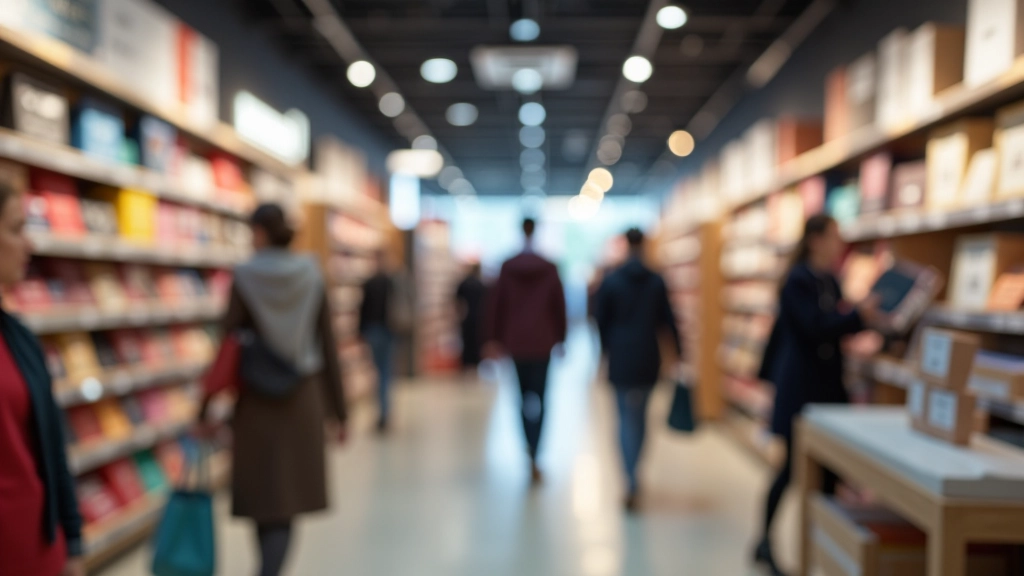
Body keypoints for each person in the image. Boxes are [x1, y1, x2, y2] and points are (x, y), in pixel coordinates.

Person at [200, 204, 347, 576]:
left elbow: (226, 345)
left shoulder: (245, 275)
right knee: (287, 500)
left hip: (256, 402)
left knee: (261, 497)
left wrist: (204, 406)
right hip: (303, 399)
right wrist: (340, 412)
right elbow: (327, 345)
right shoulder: (312, 273)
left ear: (260, 232)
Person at [753, 214, 879, 576]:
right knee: (792, 468)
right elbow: (815, 327)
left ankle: (823, 550)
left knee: (826, 475)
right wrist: (858, 317)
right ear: (815, 240)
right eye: (834, 236)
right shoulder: (797, 281)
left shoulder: (829, 279)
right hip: (801, 390)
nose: (840, 243)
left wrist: (864, 320)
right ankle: (766, 541)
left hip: (827, 388)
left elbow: (833, 325)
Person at [0, 180, 85, 576]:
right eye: (16, 229)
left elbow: (52, 448)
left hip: (38, 552)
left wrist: (74, 543)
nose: (28, 245)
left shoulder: (19, 338)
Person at [593, 228, 681, 511]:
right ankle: (635, 472)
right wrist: (678, 353)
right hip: (647, 355)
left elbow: (600, 321)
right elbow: (668, 320)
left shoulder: (612, 280)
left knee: (623, 417)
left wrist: (603, 352)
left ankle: (629, 478)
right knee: (641, 417)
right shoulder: (655, 280)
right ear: (643, 245)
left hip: (620, 356)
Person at [485, 218, 567, 484]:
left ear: (521, 231)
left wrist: (495, 338)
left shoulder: (508, 267)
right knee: (541, 398)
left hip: (516, 342)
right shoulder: (549, 267)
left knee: (521, 398)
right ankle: (536, 450)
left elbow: (498, 304)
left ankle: (528, 450)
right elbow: (559, 304)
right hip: (543, 342)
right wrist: (561, 338)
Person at [360, 251, 395, 432]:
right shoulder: (391, 282)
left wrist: (360, 332)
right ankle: (385, 412)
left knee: (378, 372)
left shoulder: (370, 283)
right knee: (386, 371)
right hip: (389, 331)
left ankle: (381, 413)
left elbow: (363, 309)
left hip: (373, 331)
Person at [455, 263, 486, 374]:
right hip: (479, 318)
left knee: (467, 342)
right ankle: (475, 365)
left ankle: (467, 365)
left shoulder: (464, 283)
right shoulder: (481, 284)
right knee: (476, 342)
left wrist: (460, 316)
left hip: (467, 317)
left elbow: (458, 302)